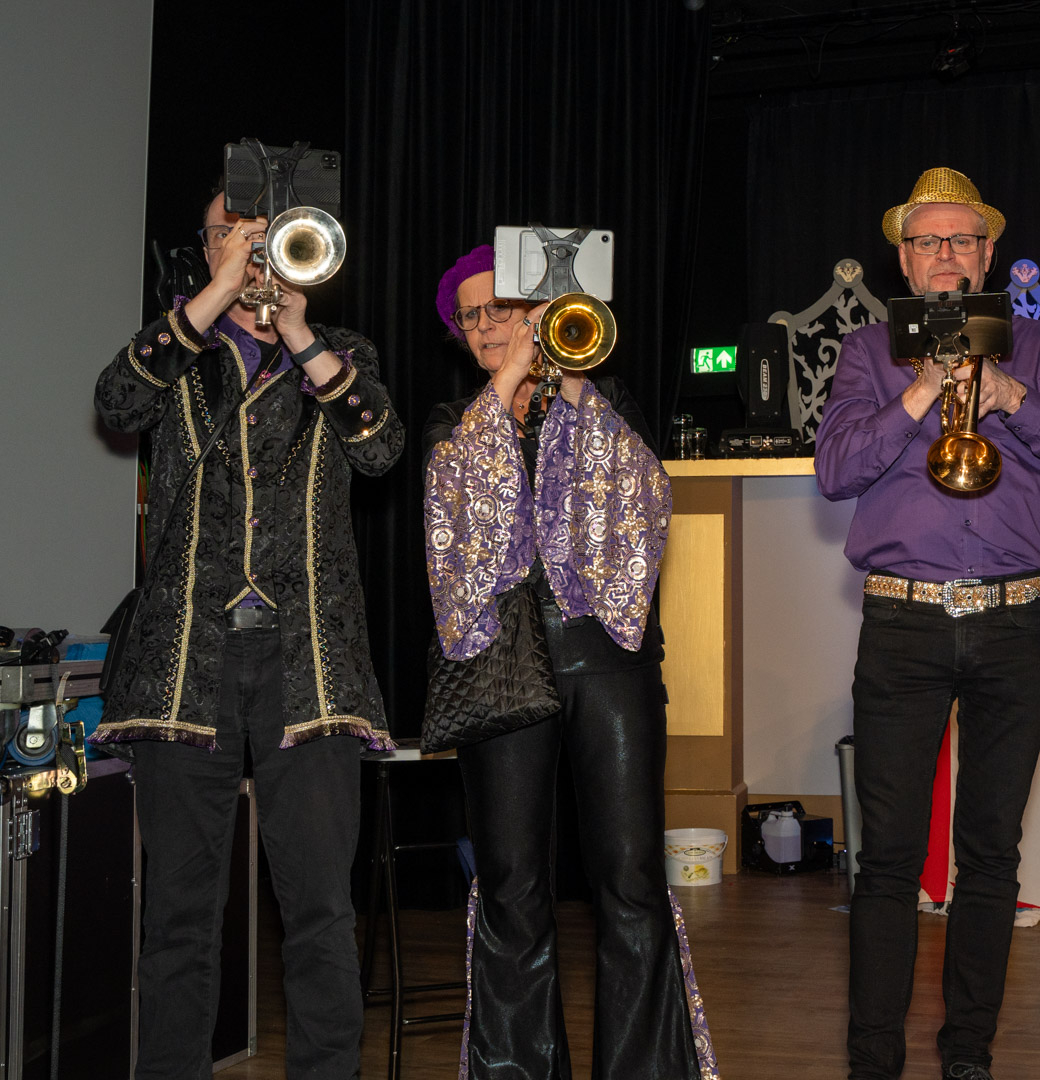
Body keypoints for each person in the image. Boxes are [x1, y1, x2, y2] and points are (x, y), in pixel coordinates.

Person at [93, 187, 403, 1077]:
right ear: (209, 247)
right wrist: (213, 298)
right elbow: (116, 402)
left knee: (320, 911)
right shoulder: (178, 351)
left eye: (267, 236)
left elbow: (379, 447)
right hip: (185, 662)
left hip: (311, 665)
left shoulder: (343, 353)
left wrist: (299, 331)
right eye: (232, 233)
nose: (253, 248)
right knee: (179, 916)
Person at [815, 167, 1040, 1080]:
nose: (943, 255)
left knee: (990, 856)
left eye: (960, 240)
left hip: (1016, 619)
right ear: (902, 258)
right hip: (903, 623)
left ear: (987, 253)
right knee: (888, 859)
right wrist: (920, 390)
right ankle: (872, 1060)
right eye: (926, 241)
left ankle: (968, 1052)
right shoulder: (867, 351)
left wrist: (1007, 394)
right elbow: (835, 471)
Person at [424, 246, 708, 1079]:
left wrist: (573, 382)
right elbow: (458, 523)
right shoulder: (453, 420)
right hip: (502, 664)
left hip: (607, 657)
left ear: (538, 313)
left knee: (631, 877)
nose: (487, 327)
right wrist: (508, 381)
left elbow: (645, 500)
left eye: (502, 310)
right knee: (511, 881)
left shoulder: (601, 399)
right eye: (471, 316)